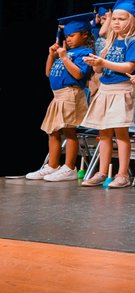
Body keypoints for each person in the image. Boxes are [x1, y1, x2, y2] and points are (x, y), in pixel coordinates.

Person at [80, 0, 135, 188]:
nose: (116, 23)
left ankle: (122, 174)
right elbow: (98, 69)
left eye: (121, 19)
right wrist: (96, 62)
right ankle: (102, 172)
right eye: (114, 19)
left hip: (121, 90)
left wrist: (104, 62)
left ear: (132, 21)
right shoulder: (111, 42)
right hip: (105, 89)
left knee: (121, 133)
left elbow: (129, 67)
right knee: (104, 133)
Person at [27, 13, 94, 181]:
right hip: (57, 96)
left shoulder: (85, 52)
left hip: (71, 94)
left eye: (72, 35)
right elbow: (48, 73)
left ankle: (70, 167)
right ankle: (52, 165)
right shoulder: (66, 52)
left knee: (69, 131)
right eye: (67, 36)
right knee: (53, 131)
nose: (69, 39)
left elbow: (79, 74)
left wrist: (64, 57)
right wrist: (52, 55)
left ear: (84, 34)